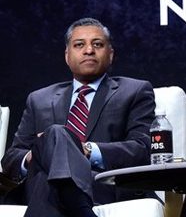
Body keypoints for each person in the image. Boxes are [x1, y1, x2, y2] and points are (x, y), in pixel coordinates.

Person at [1, 18, 156, 217]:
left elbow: (142, 149)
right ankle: (80, 208)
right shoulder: (39, 99)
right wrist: (38, 152)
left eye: (97, 44)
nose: (89, 50)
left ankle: (72, 197)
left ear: (110, 54)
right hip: (40, 185)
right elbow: (11, 158)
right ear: (67, 56)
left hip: (102, 184)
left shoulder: (135, 91)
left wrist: (84, 149)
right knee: (55, 135)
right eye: (79, 45)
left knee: (55, 142)